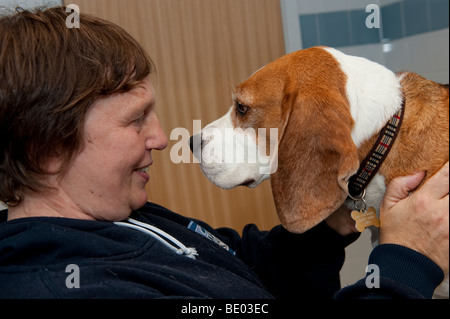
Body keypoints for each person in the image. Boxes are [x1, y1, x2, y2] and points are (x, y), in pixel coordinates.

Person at [0, 6, 448, 300]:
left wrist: (328, 224)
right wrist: (405, 262)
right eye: (135, 120)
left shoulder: (125, 219)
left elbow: (247, 269)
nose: (162, 137)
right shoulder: (66, 288)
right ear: (47, 149)